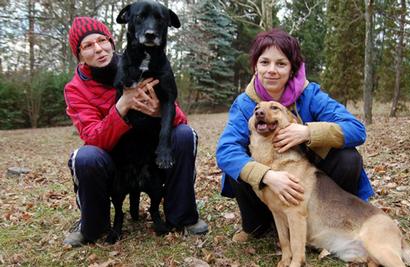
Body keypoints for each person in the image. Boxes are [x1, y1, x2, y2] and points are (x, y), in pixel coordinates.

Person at [216, 28, 374, 242]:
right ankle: (259, 224)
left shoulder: (310, 95)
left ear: (292, 69)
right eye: (264, 62)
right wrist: (266, 175)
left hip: (309, 180)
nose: (272, 70)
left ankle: (332, 221)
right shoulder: (245, 103)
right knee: (238, 164)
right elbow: (226, 151)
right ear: (255, 66)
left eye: (281, 63)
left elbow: (356, 129)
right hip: (266, 186)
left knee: (348, 158)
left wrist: (308, 132)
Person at [63, 17, 207, 247]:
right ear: (79, 55)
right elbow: (93, 137)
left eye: (102, 40)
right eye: (88, 46)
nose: (98, 48)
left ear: (111, 42)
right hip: (113, 158)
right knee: (85, 157)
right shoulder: (76, 89)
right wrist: (122, 106)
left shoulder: (141, 65)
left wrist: (159, 112)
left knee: (184, 134)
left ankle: (183, 217)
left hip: (150, 151)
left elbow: (179, 117)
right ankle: (93, 226)